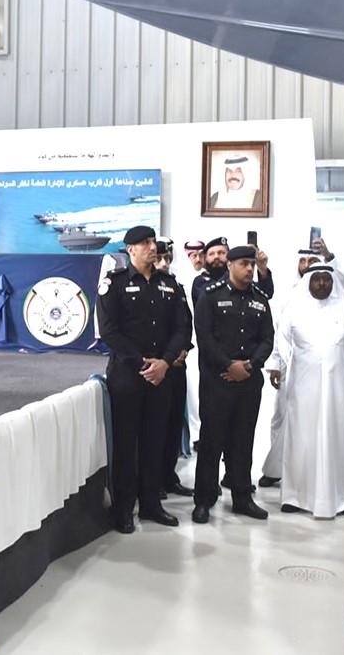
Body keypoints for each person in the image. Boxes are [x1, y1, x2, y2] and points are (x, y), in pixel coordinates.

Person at [97, 226, 190, 532]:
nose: (152, 247)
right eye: (145, 243)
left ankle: (151, 504)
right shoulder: (114, 284)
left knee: (155, 441)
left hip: (161, 376)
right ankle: (124, 508)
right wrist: (142, 363)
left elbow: (182, 328)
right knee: (126, 444)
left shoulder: (170, 284)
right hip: (127, 376)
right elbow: (109, 331)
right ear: (130, 249)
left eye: (153, 241)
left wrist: (164, 362)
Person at [192, 245, 274, 523]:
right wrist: (229, 366)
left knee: (243, 440)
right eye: (243, 264)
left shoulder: (261, 299)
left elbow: (267, 339)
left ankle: (242, 497)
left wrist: (249, 366)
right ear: (230, 265)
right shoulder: (210, 295)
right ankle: (204, 500)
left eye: (252, 264)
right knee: (211, 441)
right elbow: (204, 338)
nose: (250, 269)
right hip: (218, 380)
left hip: (249, 380)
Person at [274, 264, 344, 519]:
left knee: (339, 437)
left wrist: (334, 364)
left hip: (338, 387)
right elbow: (284, 343)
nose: (322, 283)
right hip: (302, 387)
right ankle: (295, 496)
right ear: (308, 282)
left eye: (326, 279)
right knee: (301, 437)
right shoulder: (294, 309)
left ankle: (343, 498)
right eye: (317, 279)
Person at [260, 239, 343, 487]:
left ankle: (311, 473)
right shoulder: (288, 293)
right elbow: (277, 331)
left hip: (324, 370)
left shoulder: (330, 290)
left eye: (311, 261)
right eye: (303, 261)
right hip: (290, 367)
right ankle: (276, 469)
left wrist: (330, 256)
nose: (306, 265)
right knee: (282, 418)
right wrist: (275, 363)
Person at [153, 237, 194, 499]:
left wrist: (180, 353)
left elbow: (185, 324)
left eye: (167, 258)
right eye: (159, 259)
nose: (164, 264)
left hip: (176, 366)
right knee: (154, 429)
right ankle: (152, 482)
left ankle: (169, 476)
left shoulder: (175, 287)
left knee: (173, 425)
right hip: (155, 368)